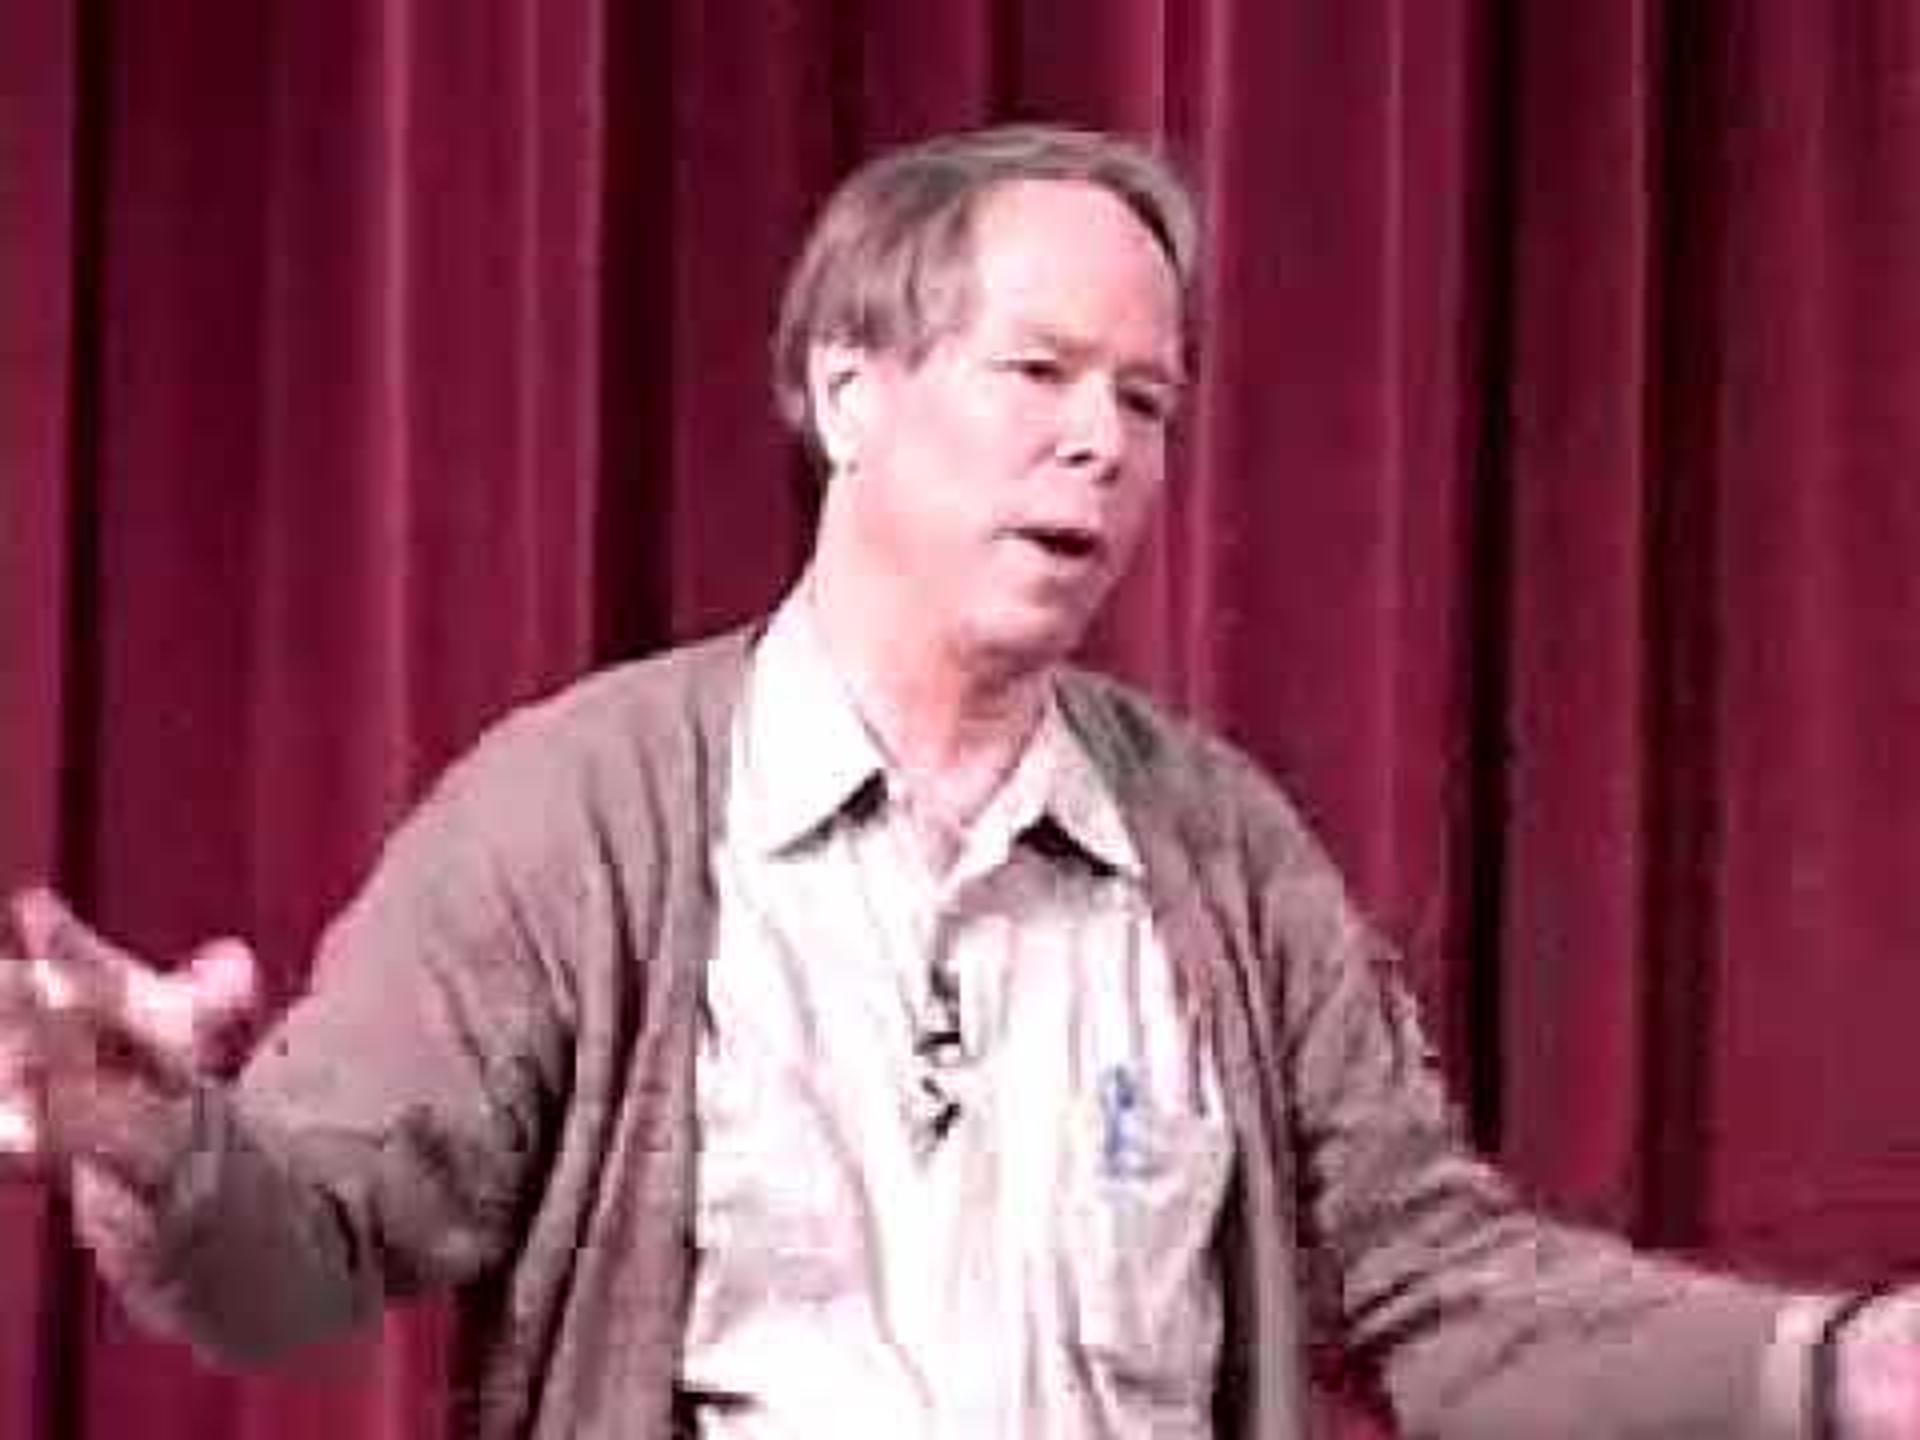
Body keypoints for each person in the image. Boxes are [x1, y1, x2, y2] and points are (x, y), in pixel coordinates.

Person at [1, 124, 1914, 1439]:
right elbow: (302, 1254)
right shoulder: (579, 814)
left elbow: (1440, 1294)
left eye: (1146, 402)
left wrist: (1838, 1372)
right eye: (1039, 373)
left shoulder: (1221, 855)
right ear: (852, 391)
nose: (1102, 445)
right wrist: (162, 1148)